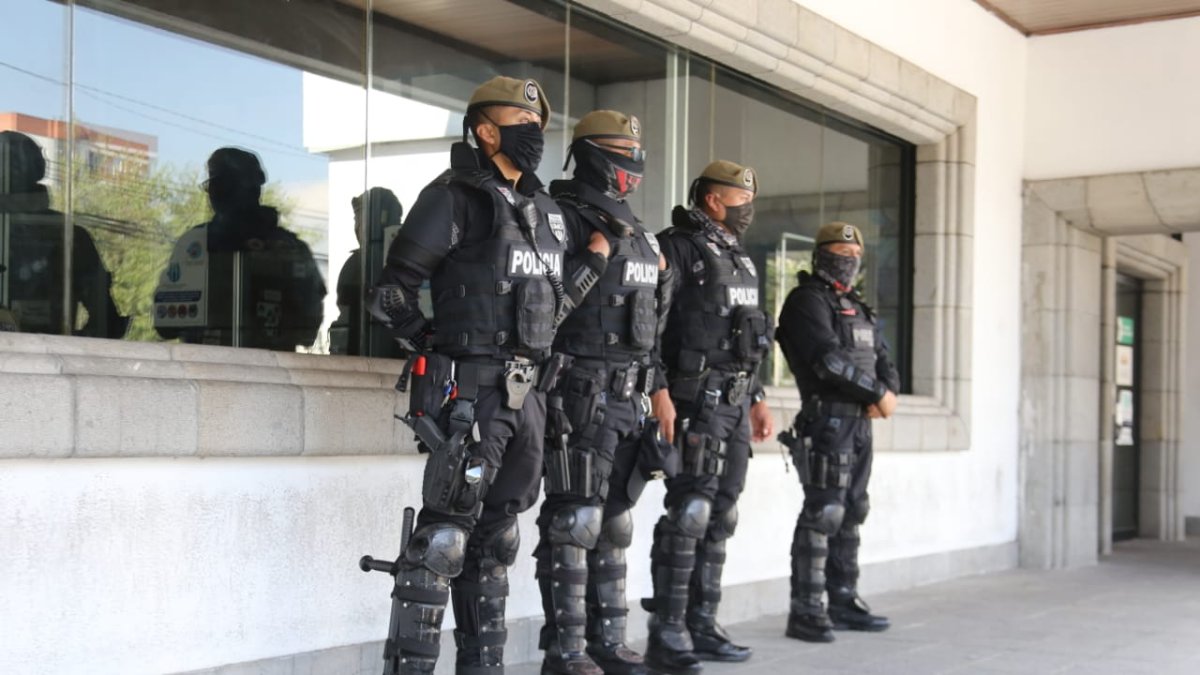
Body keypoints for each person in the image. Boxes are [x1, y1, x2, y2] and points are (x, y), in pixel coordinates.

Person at [364, 76, 610, 674]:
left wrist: (596, 261)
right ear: (485, 130)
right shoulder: (455, 198)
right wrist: (438, 351)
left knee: (497, 540)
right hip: (470, 393)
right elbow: (389, 296)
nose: (534, 135)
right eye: (521, 123)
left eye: (539, 127)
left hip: (529, 397)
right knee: (444, 538)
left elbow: (555, 307)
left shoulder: (547, 213)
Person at [535, 110, 675, 675]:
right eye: (619, 152)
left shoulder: (640, 234)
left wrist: (659, 389)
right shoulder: (560, 218)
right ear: (592, 154)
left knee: (615, 521)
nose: (631, 166)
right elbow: (545, 310)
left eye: (636, 152)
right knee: (574, 521)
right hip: (578, 390)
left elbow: (652, 328)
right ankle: (565, 652)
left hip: (629, 397)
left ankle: (608, 642)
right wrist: (594, 257)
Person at [645, 161, 776, 674]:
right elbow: (647, 327)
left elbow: (750, 335)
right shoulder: (676, 246)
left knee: (722, 513)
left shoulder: (739, 256)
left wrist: (758, 396)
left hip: (736, 405)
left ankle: (703, 620)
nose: (748, 208)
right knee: (691, 511)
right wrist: (658, 391)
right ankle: (668, 630)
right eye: (740, 198)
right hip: (694, 401)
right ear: (714, 200)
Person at [775, 221, 899, 643]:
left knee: (852, 510)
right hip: (827, 422)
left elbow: (883, 358)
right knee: (824, 512)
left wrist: (887, 392)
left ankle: (843, 600)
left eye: (853, 257)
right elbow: (826, 360)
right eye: (838, 255)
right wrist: (877, 393)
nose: (846, 263)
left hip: (859, 424)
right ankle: (806, 610)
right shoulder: (806, 302)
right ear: (819, 255)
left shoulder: (859, 307)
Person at [153, 147, 324, 351]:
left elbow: (307, 329)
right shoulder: (195, 244)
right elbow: (165, 324)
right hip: (204, 371)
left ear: (253, 188)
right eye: (213, 185)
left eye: (226, 184)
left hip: (269, 373)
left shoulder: (289, 251)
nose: (217, 193)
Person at [0, 130, 127, 338]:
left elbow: (106, 322)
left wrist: (64, 347)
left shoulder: (70, 237)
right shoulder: (72, 235)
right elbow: (107, 324)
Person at [331, 187, 402, 356]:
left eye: (360, 218)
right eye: (357, 219)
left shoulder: (359, 263)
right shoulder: (414, 257)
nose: (357, 226)